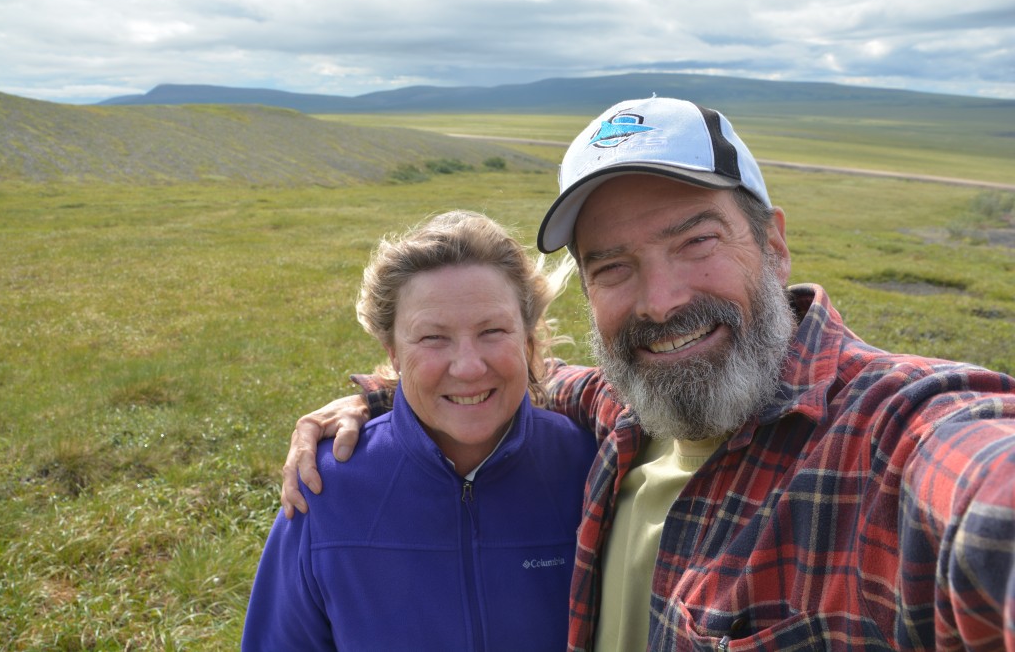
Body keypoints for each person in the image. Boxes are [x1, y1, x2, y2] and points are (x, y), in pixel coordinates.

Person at [280, 98, 1015, 651]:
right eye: (614, 267)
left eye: (695, 241)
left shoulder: (889, 441)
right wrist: (392, 396)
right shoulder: (623, 414)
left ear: (774, 243)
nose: (661, 302)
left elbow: (981, 494)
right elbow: (522, 377)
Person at [243, 211, 598, 650]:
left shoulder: (593, 470)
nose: (469, 367)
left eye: (492, 331)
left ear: (526, 338)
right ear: (392, 352)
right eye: (433, 338)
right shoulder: (325, 488)